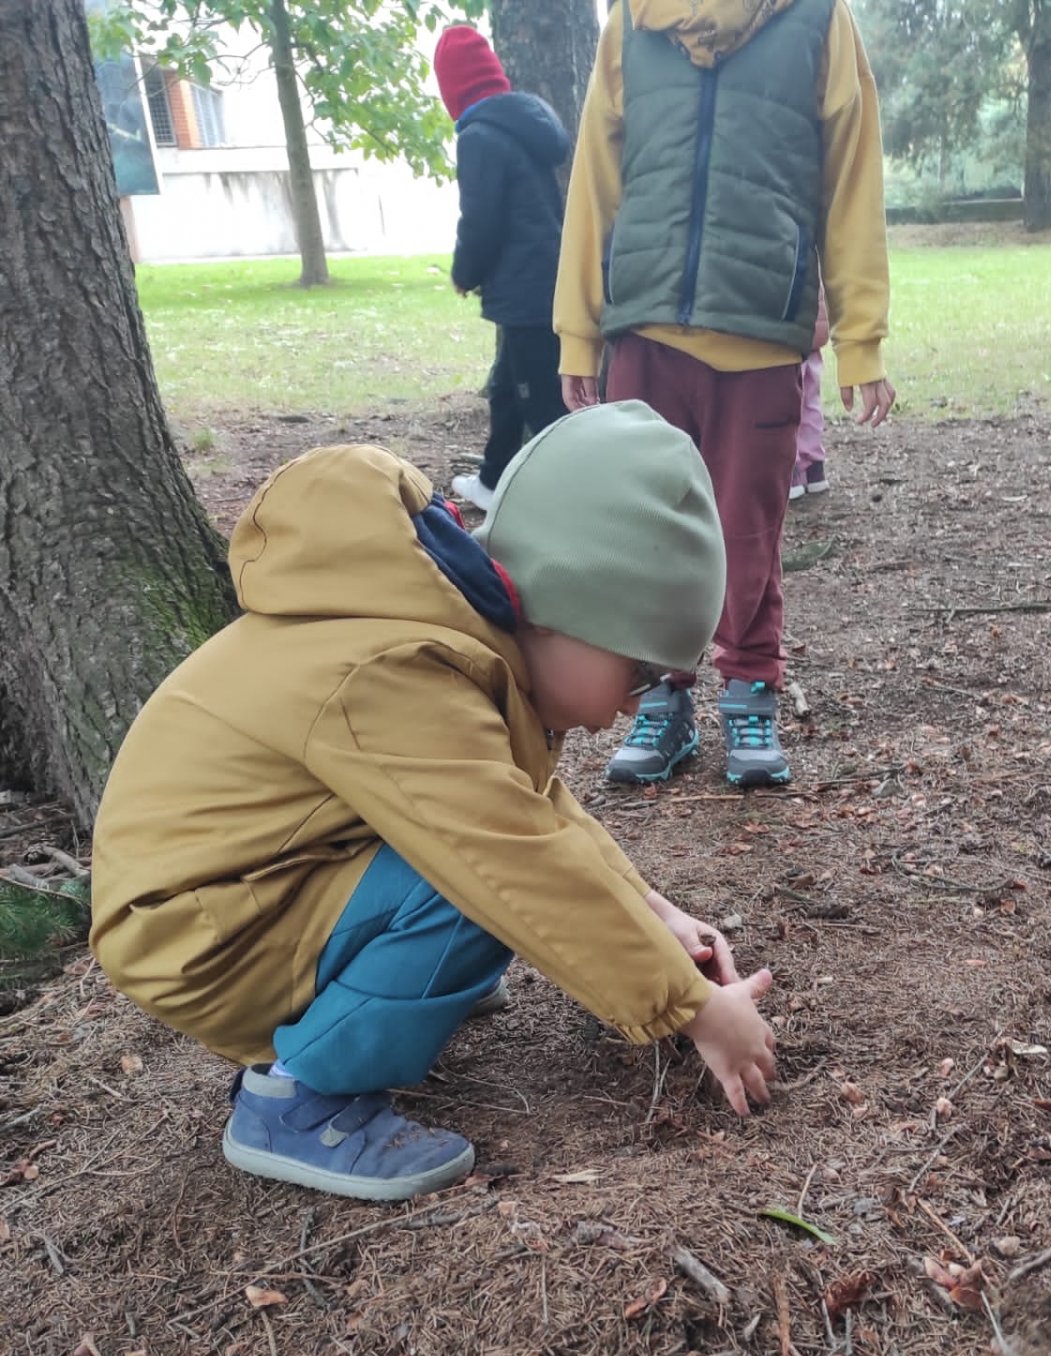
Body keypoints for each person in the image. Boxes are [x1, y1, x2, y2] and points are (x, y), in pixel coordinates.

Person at [88, 406, 779, 1204]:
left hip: (233, 895)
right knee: (475, 887)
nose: (631, 706)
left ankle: (394, 981)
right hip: (199, 940)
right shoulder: (398, 671)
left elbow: (530, 805)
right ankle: (298, 1098)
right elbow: (511, 855)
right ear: (568, 613)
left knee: (479, 876)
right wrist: (694, 1010)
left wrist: (655, 914)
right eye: (639, 673)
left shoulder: (442, 635)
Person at [555, 0, 894, 789]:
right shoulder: (634, 21)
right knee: (647, 530)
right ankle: (662, 694)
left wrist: (862, 338)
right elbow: (595, 176)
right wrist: (579, 329)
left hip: (760, 329)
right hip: (647, 326)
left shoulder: (817, 19)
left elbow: (851, 173)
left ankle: (749, 690)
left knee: (748, 532)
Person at [433, 25, 569, 513]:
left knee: (542, 402)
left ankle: (574, 498)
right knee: (508, 389)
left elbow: (480, 219)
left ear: (453, 89)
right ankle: (494, 481)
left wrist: (464, 273)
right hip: (544, 280)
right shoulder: (523, 126)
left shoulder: (480, 137)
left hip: (525, 288)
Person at [790, 283, 831, 502]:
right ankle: (815, 468)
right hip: (813, 337)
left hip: (790, 341)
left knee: (788, 405)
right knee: (811, 403)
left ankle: (792, 470)